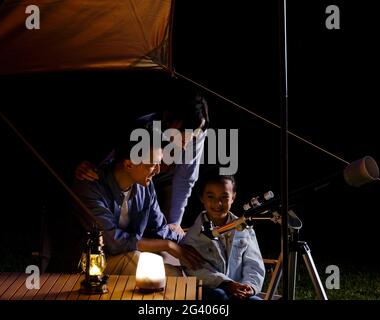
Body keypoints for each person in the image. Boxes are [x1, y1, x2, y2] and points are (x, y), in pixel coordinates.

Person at [75, 91, 209, 235]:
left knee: (163, 229)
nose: (187, 141)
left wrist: (175, 224)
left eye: (194, 135)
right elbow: (118, 160)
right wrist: (90, 170)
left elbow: (185, 178)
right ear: (168, 118)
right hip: (131, 179)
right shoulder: (143, 126)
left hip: (163, 180)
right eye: (184, 130)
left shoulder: (197, 135)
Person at [73, 129, 202, 275]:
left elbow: (158, 229)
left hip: (128, 254)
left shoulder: (144, 185)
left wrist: (192, 241)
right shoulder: (90, 186)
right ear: (129, 164)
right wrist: (168, 245)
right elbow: (113, 241)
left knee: (186, 262)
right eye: (152, 165)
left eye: (158, 164)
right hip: (92, 263)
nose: (158, 171)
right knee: (168, 272)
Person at [180, 168, 265, 300]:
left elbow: (254, 264)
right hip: (211, 291)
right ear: (201, 197)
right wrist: (226, 283)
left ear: (233, 197)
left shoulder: (244, 228)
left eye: (224, 197)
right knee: (219, 296)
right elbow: (195, 270)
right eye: (211, 196)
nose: (217, 203)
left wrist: (249, 286)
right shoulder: (193, 236)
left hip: (240, 291)